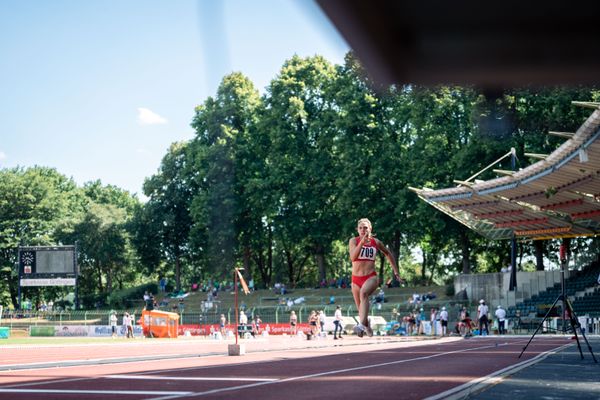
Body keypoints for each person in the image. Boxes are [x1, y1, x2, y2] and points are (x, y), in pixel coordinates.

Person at [349, 218, 401, 337]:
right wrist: (361, 243)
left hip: (370, 277)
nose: (363, 230)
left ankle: (361, 326)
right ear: (357, 229)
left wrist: (396, 271)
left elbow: (387, 253)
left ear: (370, 229)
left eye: (365, 227)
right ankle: (367, 326)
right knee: (360, 309)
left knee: (364, 294)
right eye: (360, 227)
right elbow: (353, 257)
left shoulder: (376, 242)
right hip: (355, 279)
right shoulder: (353, 241)